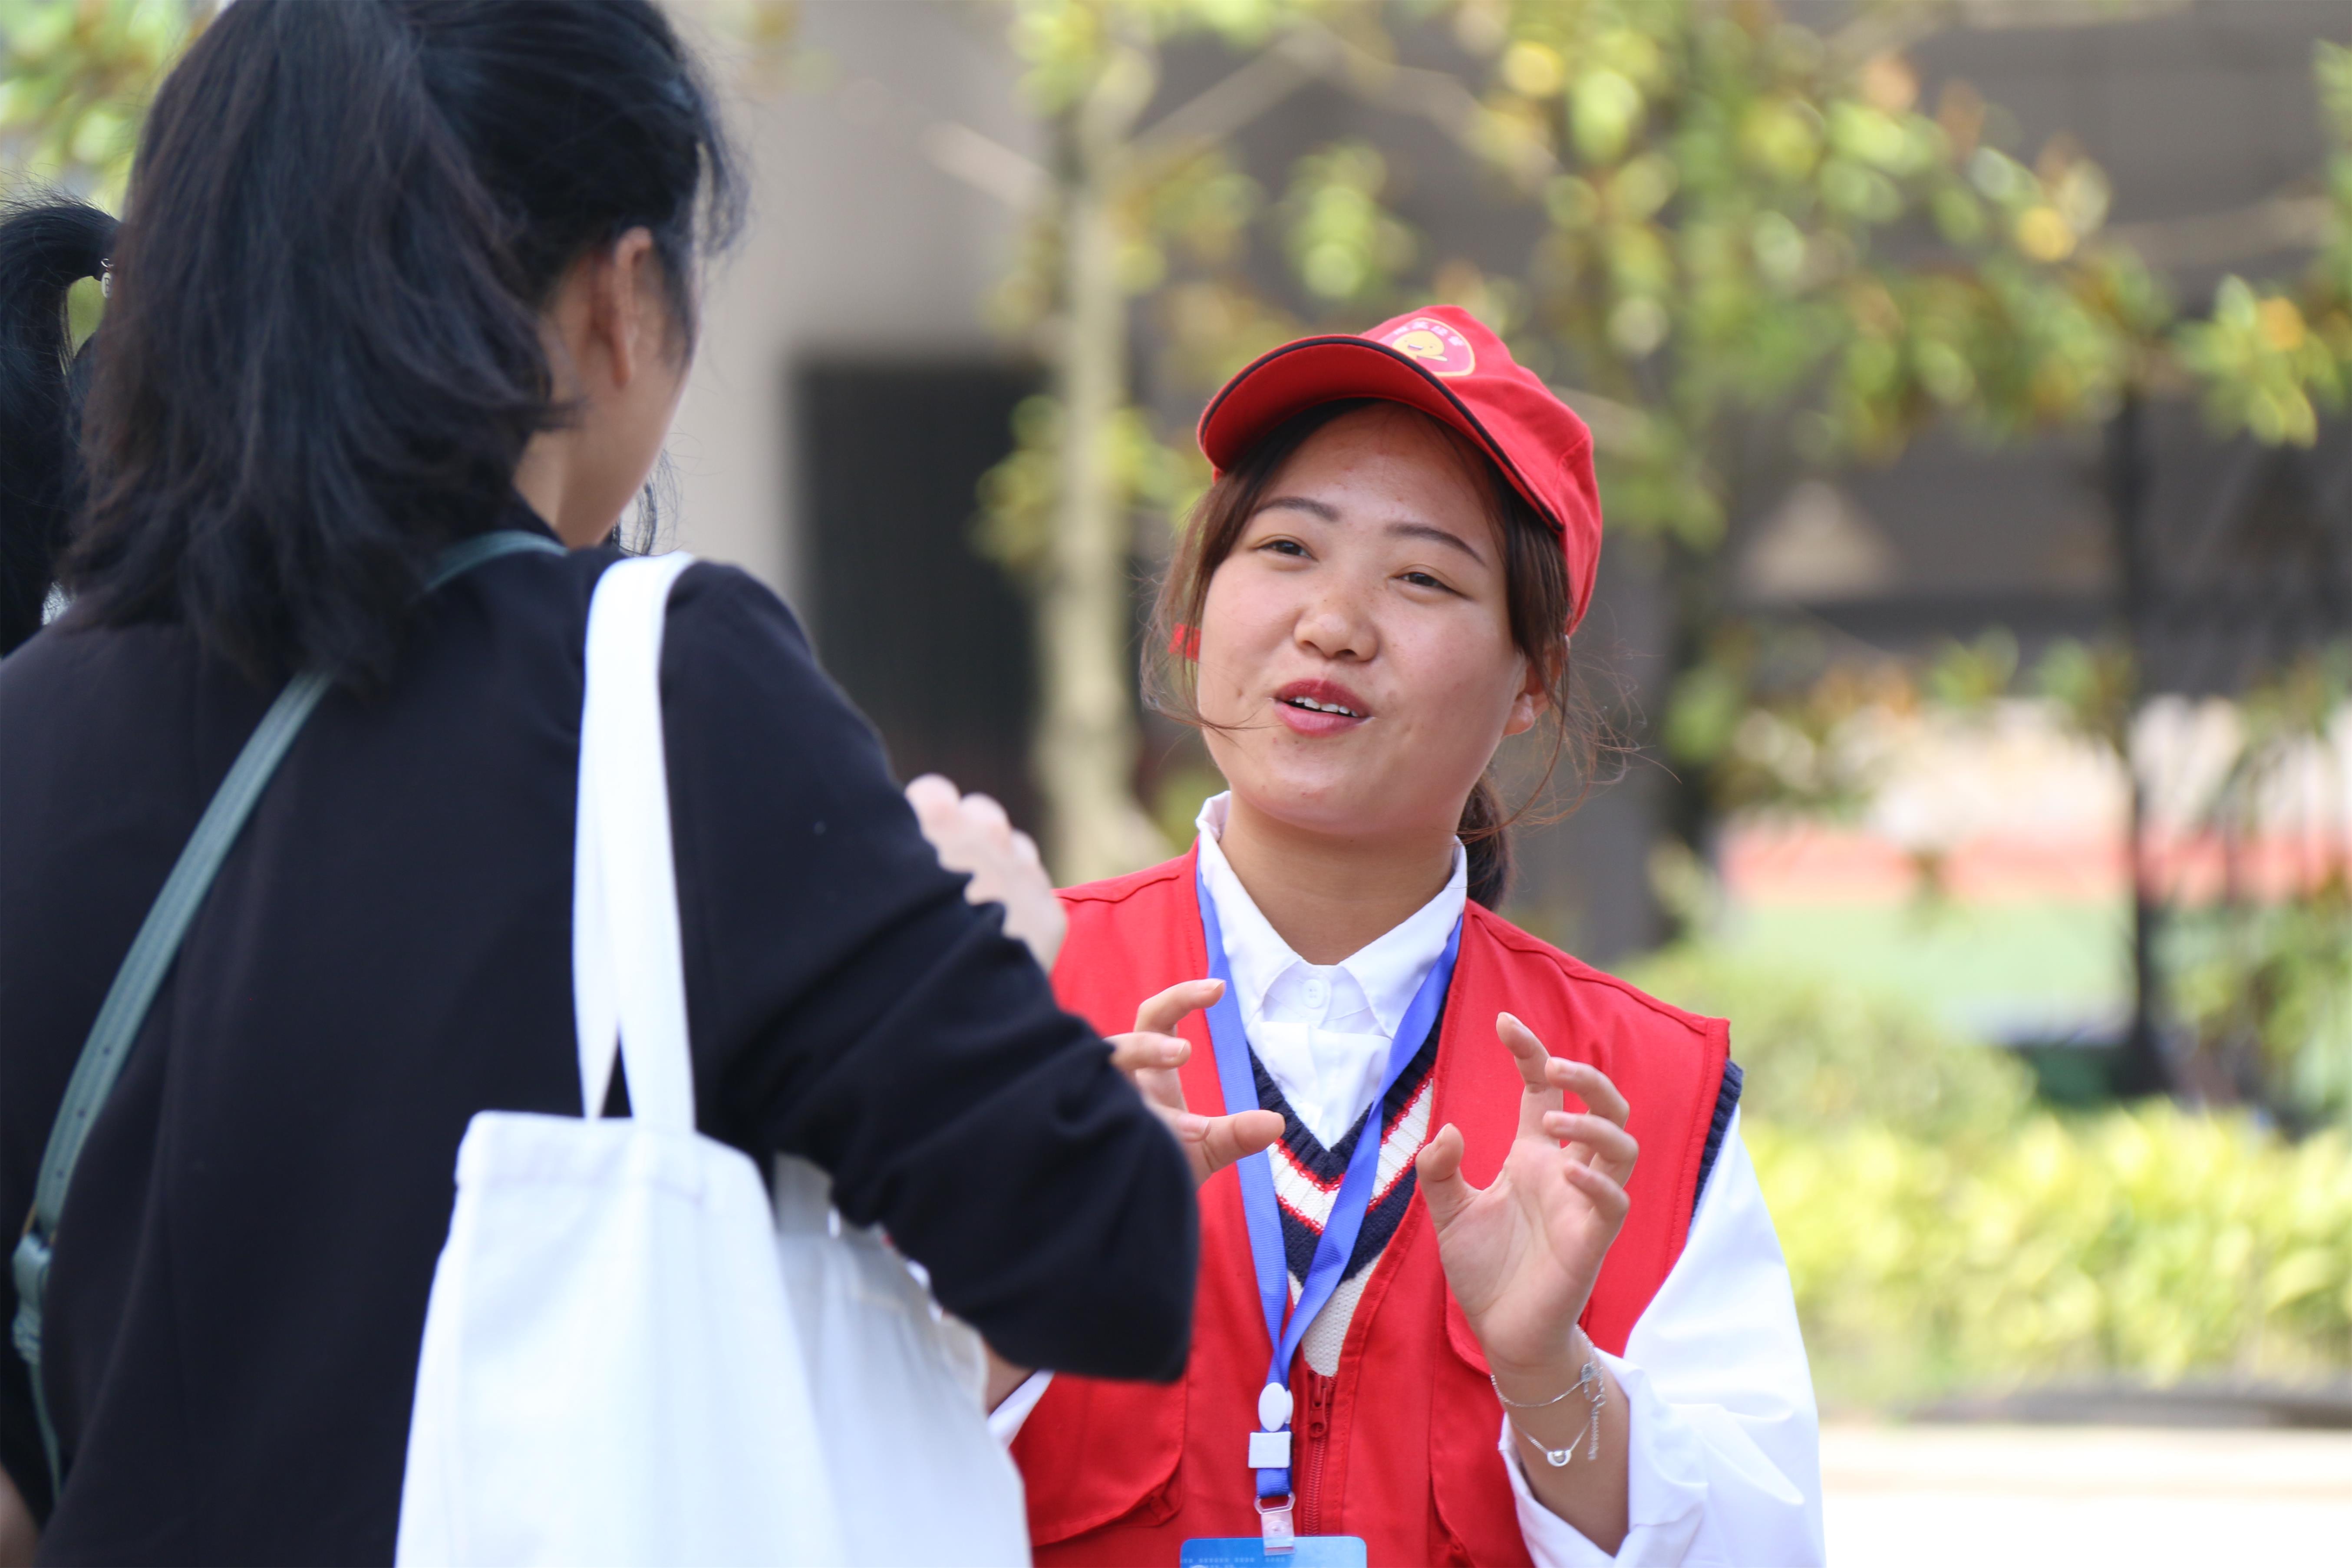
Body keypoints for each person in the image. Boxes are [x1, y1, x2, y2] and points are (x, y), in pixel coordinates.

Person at [0, 3, 1222, 1560]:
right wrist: (989, 931)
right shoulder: (659, 695)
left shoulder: (27, 733)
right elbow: (1102, 1250)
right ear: (620, 294)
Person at [997, 307, 1824, 1565]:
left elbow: (1760, 1544)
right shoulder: (1007, 1004)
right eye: (1284, 548)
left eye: (1423, 576)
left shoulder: (1639, 1094)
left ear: (1529, 682)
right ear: (1190, 616)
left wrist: (1548, 1371)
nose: (1334, 621)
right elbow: (787, 1461)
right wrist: (1029, 1280)